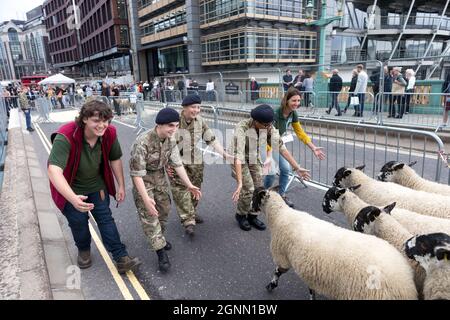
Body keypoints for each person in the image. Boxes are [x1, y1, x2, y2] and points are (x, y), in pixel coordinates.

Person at [47, 100, 141, 273]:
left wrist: (121, 185)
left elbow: (115, 159)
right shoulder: (66, 135)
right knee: (79, 224)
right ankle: (84, 250)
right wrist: (72, 198)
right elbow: (53, 170)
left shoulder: (109, 133)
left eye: (105, 120)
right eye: (96, 121)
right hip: (71, 190)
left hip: (97, 186)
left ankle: (121, 257)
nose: (102, 125)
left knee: (106, 219)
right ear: (84, 119)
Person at [129, 108, 202, 272]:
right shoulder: (143, 142)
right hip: (144, 180)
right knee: (150, 214)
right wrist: (146, 199)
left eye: (176, 125)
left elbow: (177, 164)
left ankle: (158, 237)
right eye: (170, 125)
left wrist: (189, 185)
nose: (174, 129)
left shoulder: (171, 139)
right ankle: (160, 251)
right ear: (159, 125)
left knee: (164, 210)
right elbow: (136, 174)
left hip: (160, 178)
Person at [229, 104, 311, 231]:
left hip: (252, 155)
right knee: (248, 188)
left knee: (259, 187)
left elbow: (281, 148)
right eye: (265, 125)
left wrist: (296, 167)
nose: (268, 127)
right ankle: (241, 215)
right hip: (238, 156)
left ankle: (253, 215)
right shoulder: (242, 128)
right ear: (256, 122)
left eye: (270, 124)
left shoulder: (269, 128)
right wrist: (240, 183)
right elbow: (238, 157)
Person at [168, 94, 233, 236]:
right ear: (184, 107)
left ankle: (191, 212)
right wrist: (167, 164)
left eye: (198, 107)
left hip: (195, 160)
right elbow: (166, 146)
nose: (196, 110)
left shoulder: (200, 121)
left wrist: (225, 154)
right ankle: (188, 220)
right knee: (181, 190)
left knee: (195, 189)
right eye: (193, 107)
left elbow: (212, 139)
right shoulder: (174, 122)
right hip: (176, 159)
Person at [264, 88, 325, 207]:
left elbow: (300, 132)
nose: (296, 103)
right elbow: (267, 137)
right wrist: (268, 156)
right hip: (266, 144)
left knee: (285, 170)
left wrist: (313, 147)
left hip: (278, 142)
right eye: (294, 100)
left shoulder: (293, 113)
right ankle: (263, 195)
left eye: (298, 101)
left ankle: (281, 195)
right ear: (286, 100)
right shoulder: (276, 114)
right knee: (270, 173)